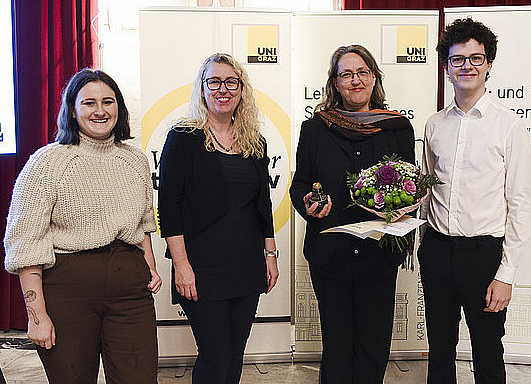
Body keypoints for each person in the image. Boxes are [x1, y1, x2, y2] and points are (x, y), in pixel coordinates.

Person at [3, 68, 162, 384]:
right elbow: (26, 244)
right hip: (66, 293)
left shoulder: (135, 160)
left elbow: (143, 225)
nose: (100, 110)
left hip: (130, 292)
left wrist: (150, 266)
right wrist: (37, 317)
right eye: (89, 103)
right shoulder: (46, 163)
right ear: (72, 111)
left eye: (108, 101)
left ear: (119, 107)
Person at [290, 45, 415, 383]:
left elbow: (412, 182)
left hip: (379, 254)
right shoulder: (316, 128)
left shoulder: (397, 128)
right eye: (346, 74)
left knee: (374, 347)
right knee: (337, 345)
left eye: (362, 72)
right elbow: (300, 184)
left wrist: (404, 204)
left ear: (374, 77)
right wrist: (310, 203)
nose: (355, 80)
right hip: (331, 255)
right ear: (335, 82)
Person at [419, 18, 531, 384]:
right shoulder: (434, 124)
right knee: (439, 347)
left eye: (475, 58)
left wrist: (507, 273)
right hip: (435, 250)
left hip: (484, 254)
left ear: (489, 65)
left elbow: (520, 202)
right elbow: (427, 189)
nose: (466, 66)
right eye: (457, 59)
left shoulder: (509, 126)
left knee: (486, 348)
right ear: (447, 68)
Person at [158, 53, 279, 384]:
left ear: (241, 90)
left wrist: (270, 255)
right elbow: (169, 206)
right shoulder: (183, 138)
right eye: (214, 81)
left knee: (235, 353)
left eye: (231, 82)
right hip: (201, 266)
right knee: (215, 354)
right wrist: (181, 266)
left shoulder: (255, 141)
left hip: (246, 264)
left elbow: (262, 204)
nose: (222, 89)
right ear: (202, 88)